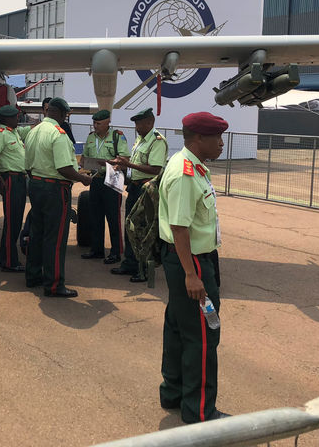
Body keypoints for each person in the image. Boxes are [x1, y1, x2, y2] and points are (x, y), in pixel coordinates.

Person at [157, 111, 229, 424]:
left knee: (178, 327)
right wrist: (191, 274)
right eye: (217, 138)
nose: (222, 144)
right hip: (192, 262)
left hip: (191, 259)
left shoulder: (193, 166)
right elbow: (180, 227)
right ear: (198, 139)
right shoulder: (186, 173)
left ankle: (173, 393)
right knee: (202, 336)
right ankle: (200, 411)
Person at [24, 97, 91, 297]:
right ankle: (53, 285)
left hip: (36, 185)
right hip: (55, 190)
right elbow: (64, 168)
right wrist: (82, 179)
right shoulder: (59, 134)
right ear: (61, 114)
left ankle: (33, 276)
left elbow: (27, 165)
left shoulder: (33, 131)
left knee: (37, 233)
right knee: (55, 237)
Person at [111, 108, 168, 280]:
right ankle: (130, 263)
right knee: (131, 226)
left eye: (140, 123)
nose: (136, 127)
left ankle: (144, 271)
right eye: (136, 123)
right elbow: (136, 164)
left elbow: (155, 169)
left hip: (148, 190)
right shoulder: (141, 140)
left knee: (145, 231)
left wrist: (129, 165)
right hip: (135, 188)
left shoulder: (157, 141)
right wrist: (123, 167)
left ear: (150, 123)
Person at [0, 105, 31, 272]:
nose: (17, 119)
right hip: (10, 179)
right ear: (6, 119)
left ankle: (2, 258)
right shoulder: (2, 135)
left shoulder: (14, 133)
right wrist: (0, 179)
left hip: (19, 179)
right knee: (13, 222)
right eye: (15, 117)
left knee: (15, 221)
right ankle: (10, 262)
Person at [81, 109, 129, 262]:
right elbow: (84, 157)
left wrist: (107, 163)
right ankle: (97, 250)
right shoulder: (90, 137)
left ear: (108, 122)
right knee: (95, 216)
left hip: (112, 179)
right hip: (95, 180)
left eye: (99, 123)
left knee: (113, 217)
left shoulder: (117, 137)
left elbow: (124, 159)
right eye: (94, 123)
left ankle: (115, 252)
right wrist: (84, 163)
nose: (95, 126)